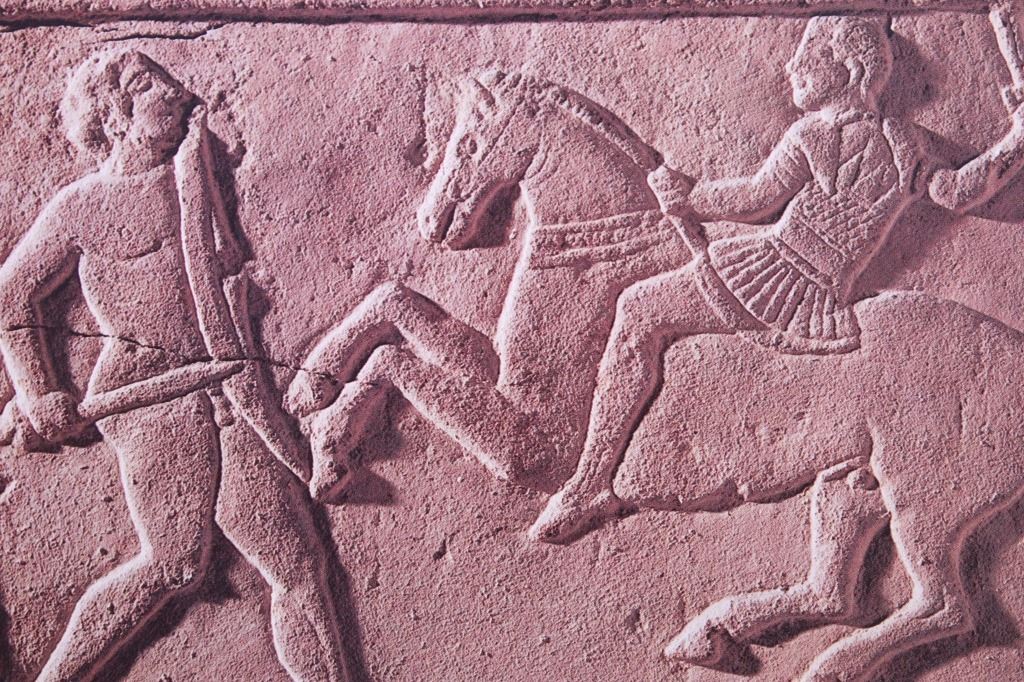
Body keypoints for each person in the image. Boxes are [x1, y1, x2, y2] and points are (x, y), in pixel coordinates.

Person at [530, 15, 1024, 543]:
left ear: (846, 68)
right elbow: (959, 191)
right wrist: (1016, 139)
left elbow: (755, 198)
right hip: (822, 290)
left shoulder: (815, 133)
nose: (792, 65)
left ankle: (590, 482)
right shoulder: (908, 143)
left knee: (637, 309)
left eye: (809, 55)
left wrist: (690, 196)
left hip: (773, 273)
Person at [0, 50, 350, 681]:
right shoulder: (84, 206)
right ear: (113, 116)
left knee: (299, 565)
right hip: (148, 394)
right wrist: (38, 391)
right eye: (147, 85)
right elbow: (12, 296)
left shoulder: (194, 176)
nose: (172, 92)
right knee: (176, 563)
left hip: (226, 383)